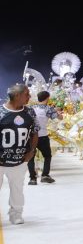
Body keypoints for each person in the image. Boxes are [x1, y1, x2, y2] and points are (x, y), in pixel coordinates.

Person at [1, 85, 37, 225]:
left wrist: (31, 151)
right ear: (17, 96)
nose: (29, 97)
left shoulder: (30, 112)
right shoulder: (1, 111)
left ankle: (16, 214)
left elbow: (34, 132)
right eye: (27, 94)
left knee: (17, 189)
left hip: (20, 160)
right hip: (0, 160)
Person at [28, 90, 58, 185]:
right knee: (47, 156)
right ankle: (45, 175)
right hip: (42, 136)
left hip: (31, 136)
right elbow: (58, 118)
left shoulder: (31, 108)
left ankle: (32, 178)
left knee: (30, 157)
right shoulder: (48, 109)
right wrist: (57, 112)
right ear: (47, 98)